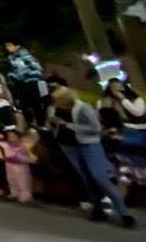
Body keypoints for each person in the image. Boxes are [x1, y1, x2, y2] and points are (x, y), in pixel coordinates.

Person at [49, 86, 136, 228]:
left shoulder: (84, 108)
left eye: (57, 100)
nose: (55, 102)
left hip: (89, 144)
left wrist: (69, 125)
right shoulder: (55, 109)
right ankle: (98, 209)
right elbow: (53, 123)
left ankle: (124, 214)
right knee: (86, 177)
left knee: (99, 177)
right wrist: (55, 126)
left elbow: (96, 129)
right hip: (68, 145)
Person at [4, 41, 46, 126]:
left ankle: (41, 123)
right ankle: (32, 123)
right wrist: (12, 76)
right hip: (22, 82)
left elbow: (34, 67)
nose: (8, 48)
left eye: (9, 45)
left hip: (32, 80)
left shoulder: (24, 55)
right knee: (24, 105)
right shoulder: (11, 58)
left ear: (17, 45)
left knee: (36, 103)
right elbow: (14, 71)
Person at [0, 128, 35, 203]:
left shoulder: (23, 145)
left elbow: (27, 157)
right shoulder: (6, 144)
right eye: (9, 136)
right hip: (9, 165)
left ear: (18, 137)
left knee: (23, 181)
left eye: (13, 136)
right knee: (11, 179)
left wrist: (18, 158)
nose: (11, 138)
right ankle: (14, 193)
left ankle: (25, 196)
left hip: (20, 166)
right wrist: (3, 135)